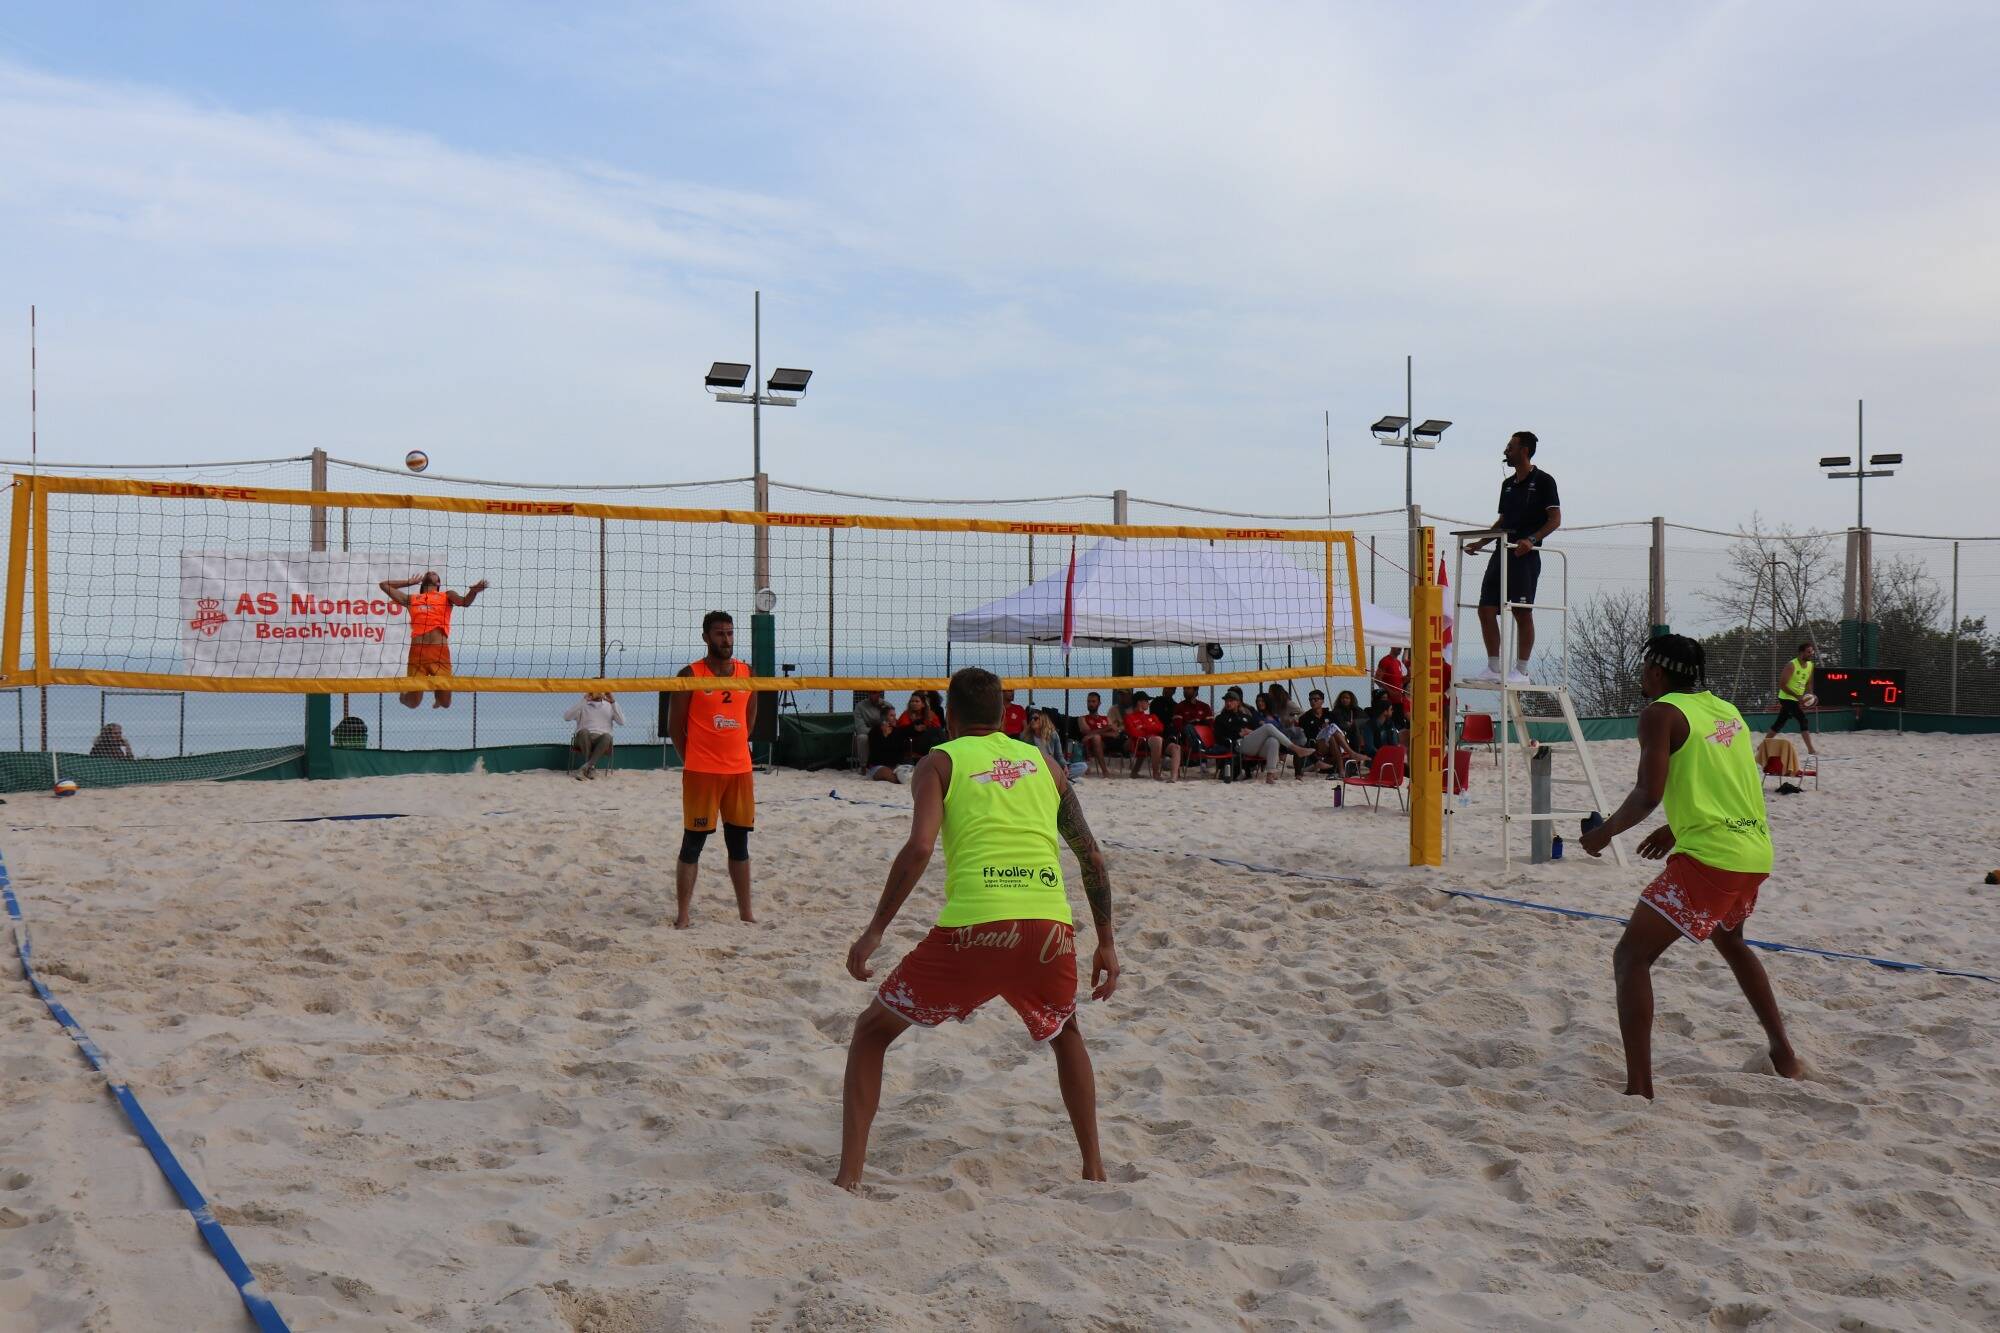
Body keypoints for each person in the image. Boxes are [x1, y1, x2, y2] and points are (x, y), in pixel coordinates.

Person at [836, 667, 1119, 1191]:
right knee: (1066, 1032)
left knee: (870, 1033)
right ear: (1002, 715)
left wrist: (875, 929)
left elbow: (920, 848)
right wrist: (1105, 942)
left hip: (975, 930)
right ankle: (1094, 1169)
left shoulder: (938, 762)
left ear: (950, 716)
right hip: (1048, 927)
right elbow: (1091, 856)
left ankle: (849, 1176)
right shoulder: (1048, 764)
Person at [1579, 635, 1802, 1099]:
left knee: (1630, 957)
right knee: (1730, 941)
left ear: (1657, 673)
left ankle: (1639, 1089)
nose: (1641, 675)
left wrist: (1604, 833)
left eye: (1644, 668)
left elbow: (1647, 794)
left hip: (1712, 857)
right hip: (1754, 850)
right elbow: (1732, 785)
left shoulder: (1659, 714)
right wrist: (1677, 829)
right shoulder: (1726, 712)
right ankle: (1784, 1054)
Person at [668, 611, 757, 929]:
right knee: (693, 843)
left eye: (730, 633)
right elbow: (675, 727)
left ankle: (746, 913)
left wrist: (735, 751)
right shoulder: (690, 673)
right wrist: (692, 759)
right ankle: (683, 915)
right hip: (701, 772)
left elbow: (750, 718)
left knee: (739, 843)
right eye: (720, 634)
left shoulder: (747, 672)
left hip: (739, 772)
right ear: (706, 637)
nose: (726, 640)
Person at [1463, 431, 1561, 687]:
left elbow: (1555, 519)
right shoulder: (1507, 484)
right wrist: (1481, 542)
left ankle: (1522, 671)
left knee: (1521, 611)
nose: (1506, 451)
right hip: (1501, 551)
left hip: (1525, 556)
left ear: (1524, 450)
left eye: (1510, 447)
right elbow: (1503, 520)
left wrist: (1532, 540)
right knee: (1485, 609)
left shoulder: (1544, 481)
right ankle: (1494, 667)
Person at [378, 570, 490, 709]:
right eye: (428, 573)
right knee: (413, 703)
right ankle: (403, 697)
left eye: (435, 573)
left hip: (439, 654)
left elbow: (464, 602)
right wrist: (408, 582)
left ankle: (438, 697)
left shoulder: (447, 595)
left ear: (438, 583)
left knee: (445, 703)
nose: (431, 572)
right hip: (418, 654)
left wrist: (474, 592)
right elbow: (384, 585)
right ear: (425, 581)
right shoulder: (411, 599)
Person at [1765, 641, 1818, 758]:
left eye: (1812, 651)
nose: (1811, 654)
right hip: (1786, 697)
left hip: (1797, 698)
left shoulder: (1810, 665)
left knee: (1779, 723)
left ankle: (1762, 746)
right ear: (1801, 653)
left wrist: (1810, 695)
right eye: (1808, 652)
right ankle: (1811, 749)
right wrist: (1798, 697)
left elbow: (1809, 683)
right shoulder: (1791, 665)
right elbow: (1782, 685)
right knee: (1803, 719)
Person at [562, 690, 623, 780]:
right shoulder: (583, 705)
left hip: (601, 740)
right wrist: (584, 700)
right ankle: (590, 767)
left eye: (600, 689)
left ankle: (586, 767)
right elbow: (566, 717)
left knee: (607, 736)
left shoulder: (610, 706)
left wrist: (613, 701)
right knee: (584, 732)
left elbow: (621, 722)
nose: (598, 692)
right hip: (583, 738)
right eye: (595, 689)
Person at [1122, 691, 1177, 780]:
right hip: (1140, 743)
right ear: (1139, 702)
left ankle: (1174, 777)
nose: (1149, 703)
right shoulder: (1129, 717)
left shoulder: (1152, 716)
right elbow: (1134, 733)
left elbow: (1160, 728)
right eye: (1147, 701)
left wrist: (1143, 727)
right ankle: (1156, 773)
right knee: (1157, 739)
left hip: (1154, 741)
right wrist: (1150, 728)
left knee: (1176, 748)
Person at [1028, 709, 1088, 780]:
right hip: (1037, 767)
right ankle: (1059, 779)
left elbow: (1059, 755)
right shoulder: (1027, 737)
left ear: (1043, 719)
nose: (1032, 721)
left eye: (1035, 718)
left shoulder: (1053, 735)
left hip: (1053, 766)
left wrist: (1064, 765)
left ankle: (1058, 778)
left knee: (1082, 766)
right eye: (1031, 719)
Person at [1076, 691, 1121, 777]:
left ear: (1099, 703)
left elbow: (1114, 734)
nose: (1090, 704)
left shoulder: (1106, 718)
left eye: (1093, 701)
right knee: (1096, 738)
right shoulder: (1082, 718)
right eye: (1089, 701)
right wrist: (1107, 729)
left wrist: (1098, 733)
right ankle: (1105, 771)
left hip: (1108, 744)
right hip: (1090, 746)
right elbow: (1087, 732)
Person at [865, 708, 912, 783]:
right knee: (890, 775)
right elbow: (876, 754)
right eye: (891, 716)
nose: (894, 718)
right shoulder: (875, 731)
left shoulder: (897, 731)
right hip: (878, 766)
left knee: (909, 772)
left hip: (895, 766)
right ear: (884, 718)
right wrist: (885, 736)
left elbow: (901, 752)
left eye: (895, 715)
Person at [900, 692, 946, 757]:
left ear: (923, 704)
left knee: (936, 735)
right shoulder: (906, 714)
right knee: (935, 732)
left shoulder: (930, 714)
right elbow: (901, 730)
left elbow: (938, 728)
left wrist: (927, 727)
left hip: (927, 741)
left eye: (917, 701)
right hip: (912, 742)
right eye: (912, 701)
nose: (914, 703)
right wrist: (914, 728)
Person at [852, 690, 888, 771]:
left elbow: (890, 722)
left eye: (875, 692)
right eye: (870, 692)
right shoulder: (860, 706)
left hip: (883, 732)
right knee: (862, 737)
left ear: (880, 693)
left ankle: (888, 764)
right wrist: (876, 732)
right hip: (868, 732)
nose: (872, 695)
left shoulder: (886, 705)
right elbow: (860, 728)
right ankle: (863, 766)